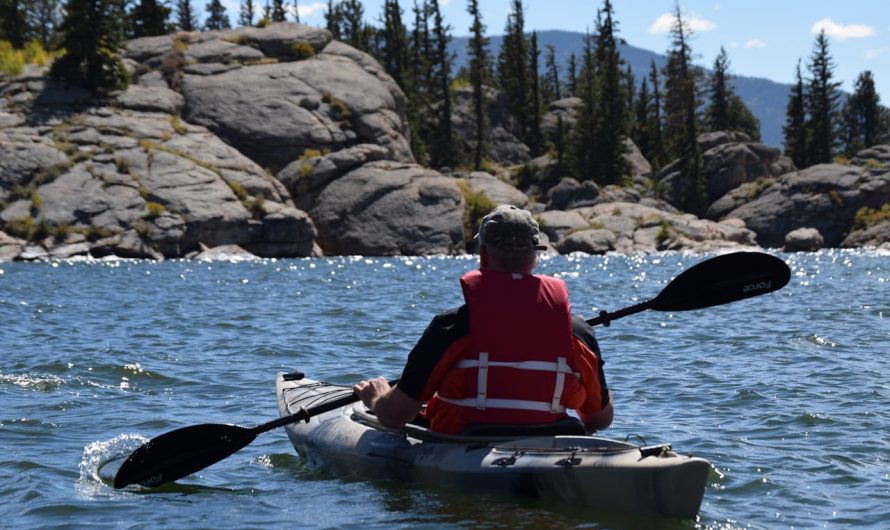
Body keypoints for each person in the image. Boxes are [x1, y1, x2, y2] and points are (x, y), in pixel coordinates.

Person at [354, 204, 613, 434]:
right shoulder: (577, 331)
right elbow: (600, 419)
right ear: (536, 257)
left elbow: (394, 416)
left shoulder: (452, 327)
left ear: (484, 255)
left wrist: (376, 399)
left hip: (466, 447)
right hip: (550, 445)